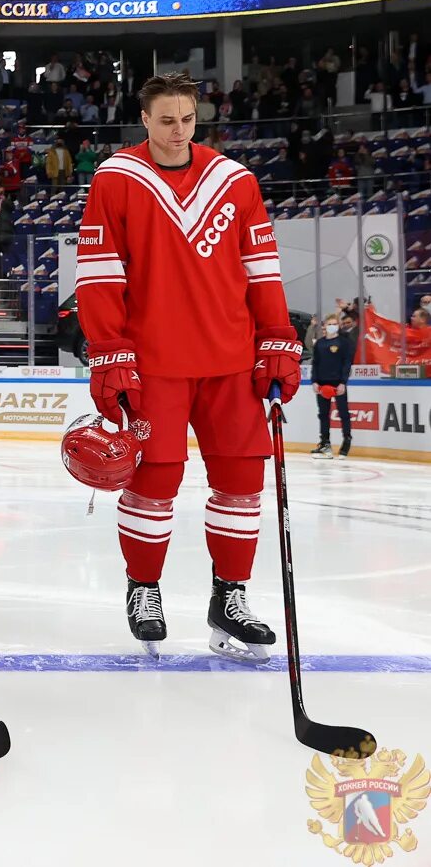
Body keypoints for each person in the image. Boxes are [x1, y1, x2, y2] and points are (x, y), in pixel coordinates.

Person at [74, 72, 299, 665]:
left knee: (242, 484)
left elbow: (262, 268)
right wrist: (110, 352)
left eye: (187, 120)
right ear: (144, 119)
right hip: (154, 365)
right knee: (154, 484)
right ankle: (144, 588)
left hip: (231, 362)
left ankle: (231, 596)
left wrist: (276, 338)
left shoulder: (235, 181)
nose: (178, 131)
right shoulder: (117, 178)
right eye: (166, 120)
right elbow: (99, 276)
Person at [310, 313, 352, 459]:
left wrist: (343, 382)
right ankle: (325, 444)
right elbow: (315, 363)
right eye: (329, 324)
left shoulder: (343, 343)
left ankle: (346, 441)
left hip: (337, 384)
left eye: (334, 324)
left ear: (338, 326)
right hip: (322, 383)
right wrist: (314, 381)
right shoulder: (320, 344)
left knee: (343, 413)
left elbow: (347, 364)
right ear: (325, 326)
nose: (332, 326)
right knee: (323, 415)